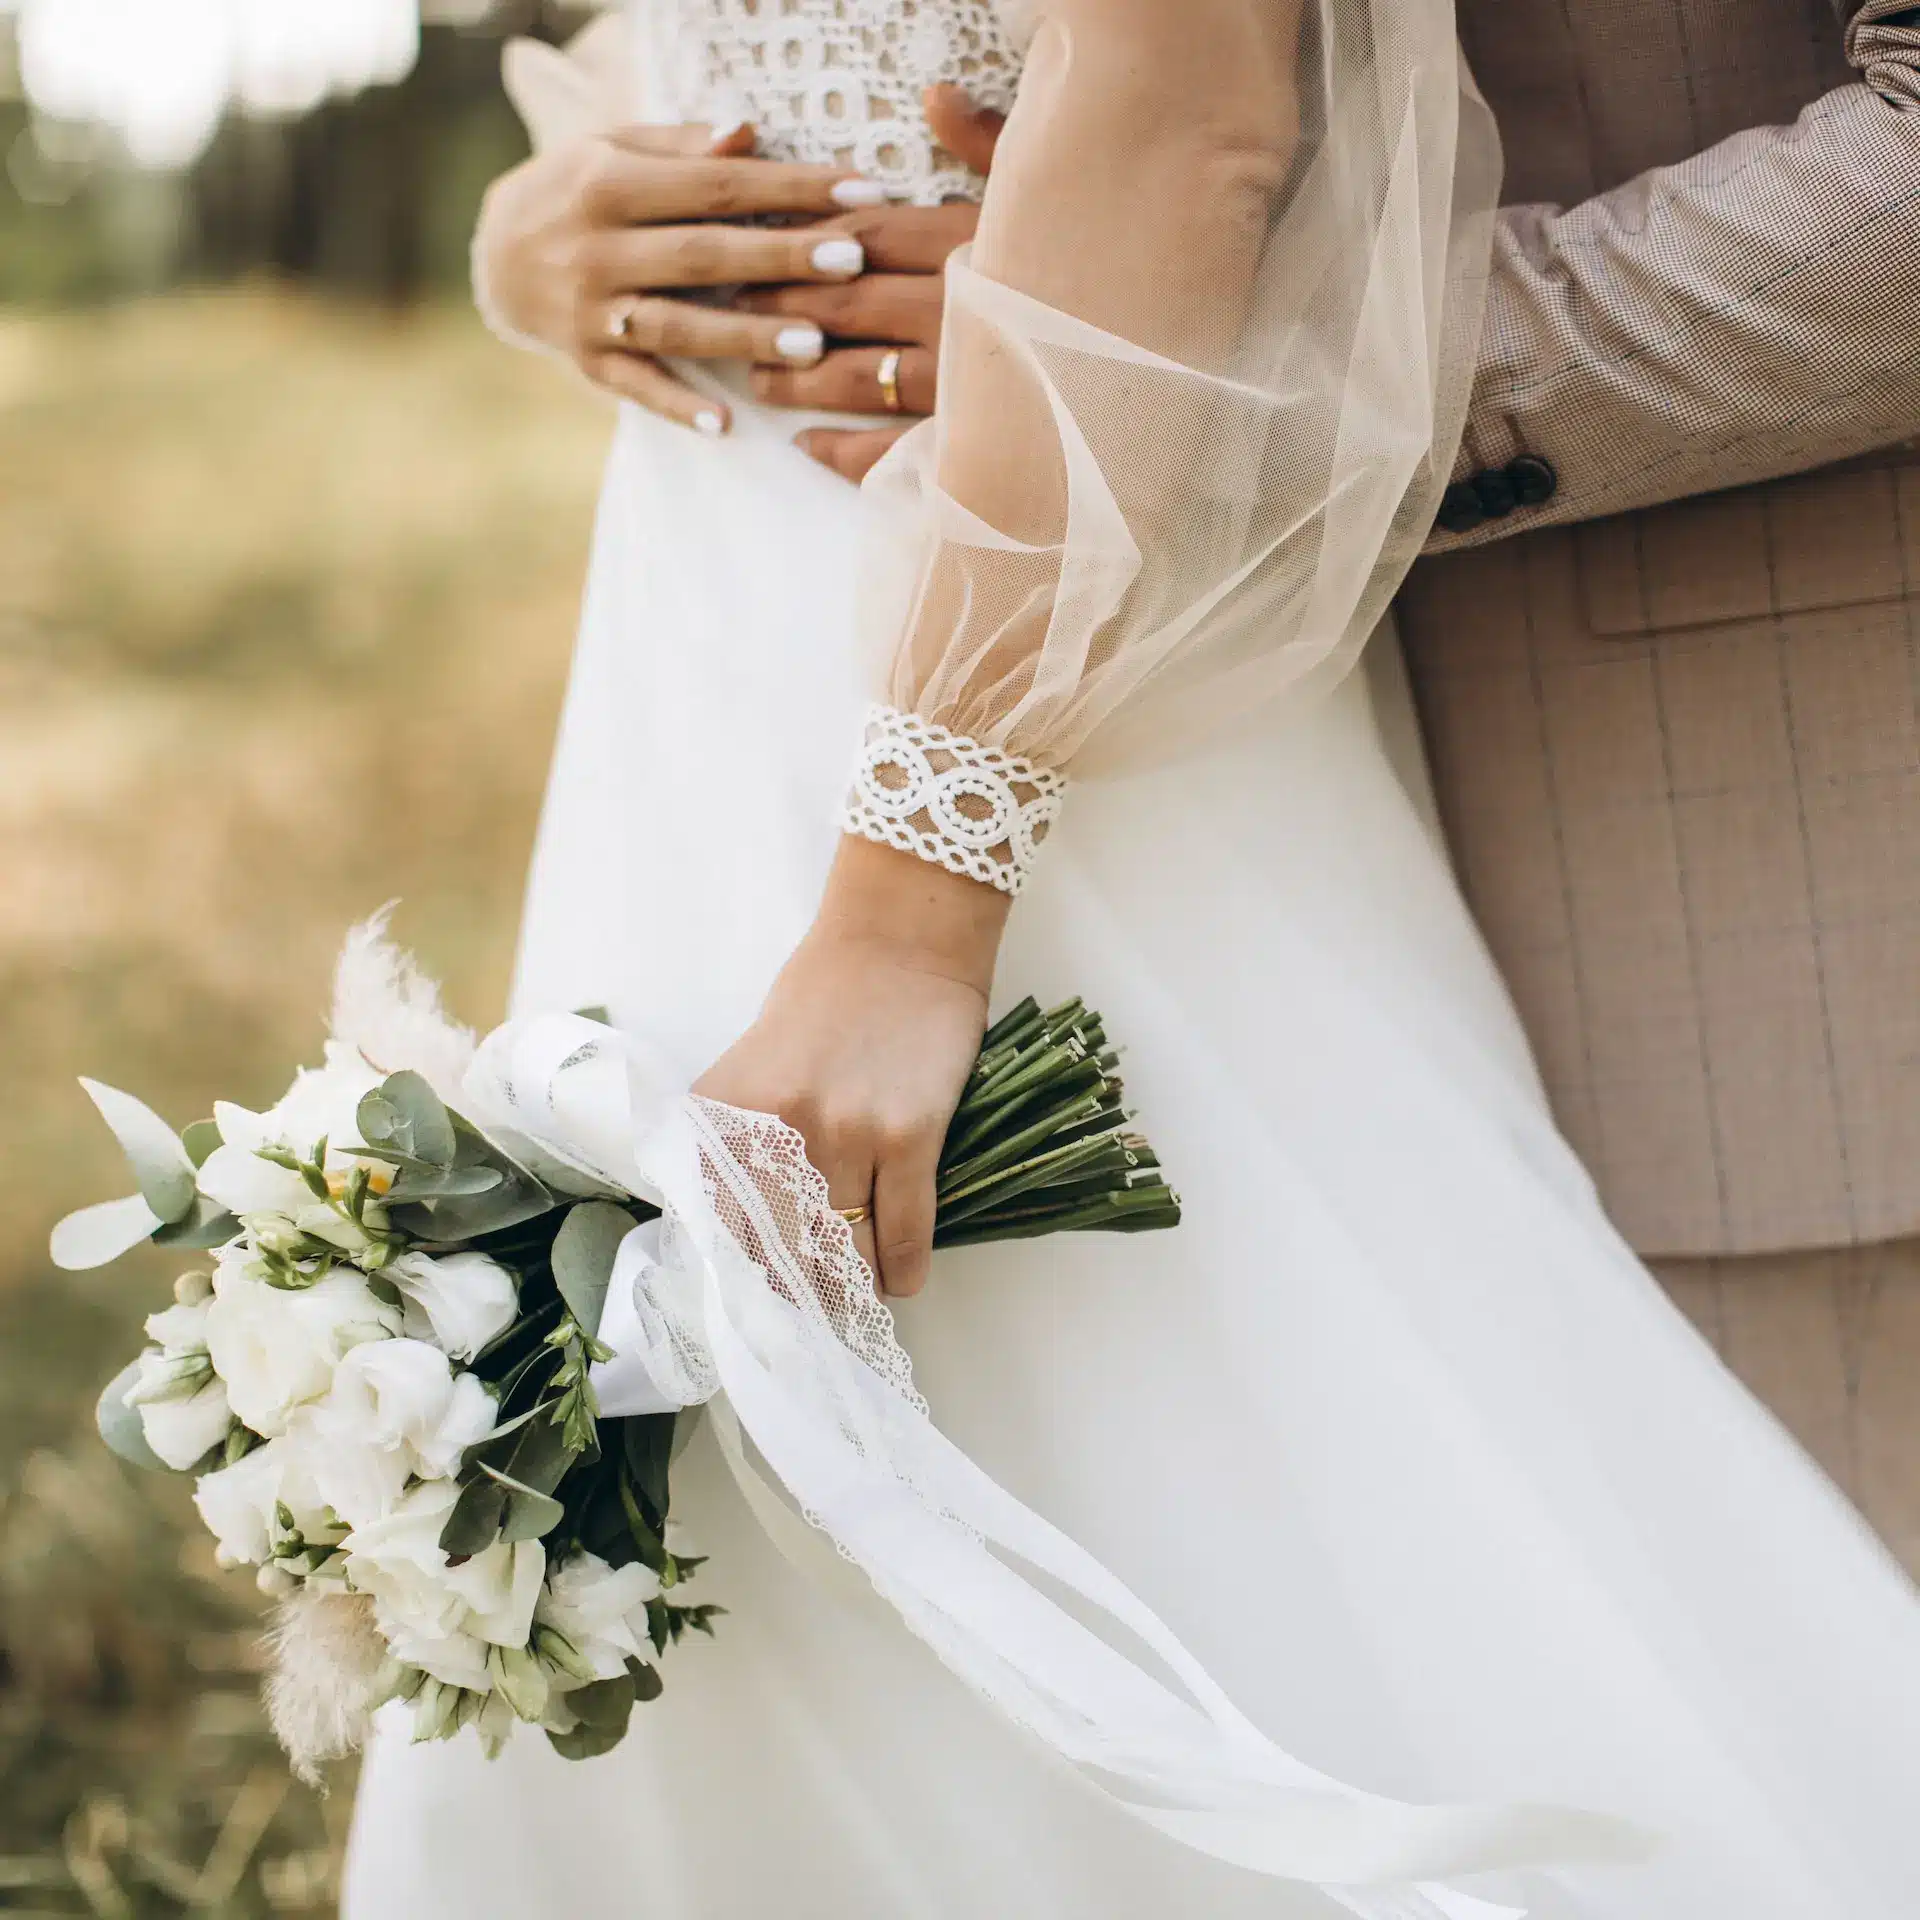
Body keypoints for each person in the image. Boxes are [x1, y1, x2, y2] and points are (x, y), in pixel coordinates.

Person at [344, 2, 1920, 1915]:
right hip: (727, 659)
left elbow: (1183, 120)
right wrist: (551, 222)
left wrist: (1231, 386)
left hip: (1261, 695)